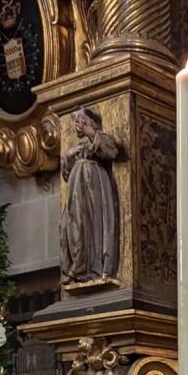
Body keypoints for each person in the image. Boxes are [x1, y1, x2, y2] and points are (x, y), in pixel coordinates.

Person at [59, 107, 121, 288]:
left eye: (81, 119)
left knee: (90, 224)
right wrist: (68, 157)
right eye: (75, 121)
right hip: (75, 189)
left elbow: (112, 152)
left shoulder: (100, 138)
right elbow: (65, 175)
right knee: (67, 225)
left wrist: (91, 133)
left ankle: (88, 268)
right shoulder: (76, 148)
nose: (77, 124)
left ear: (91, 122)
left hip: (92, 185)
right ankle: (75, 265)